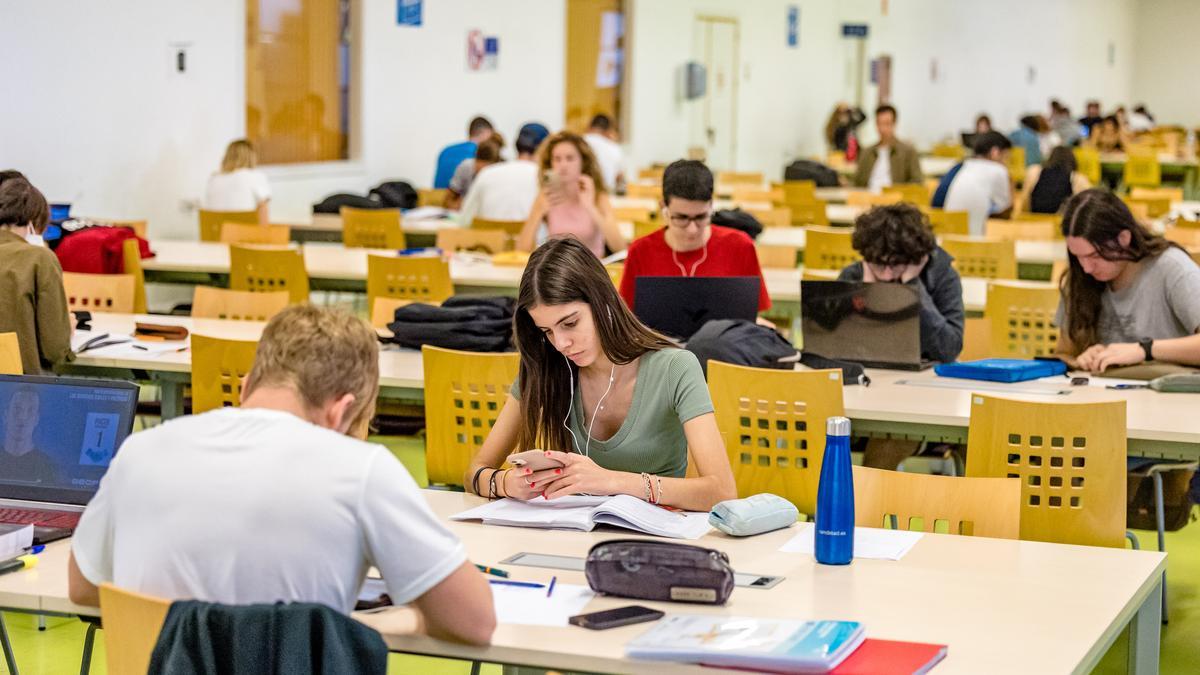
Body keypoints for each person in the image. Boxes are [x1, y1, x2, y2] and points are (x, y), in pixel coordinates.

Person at [68, 305, 496, 646]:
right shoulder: (360, 470)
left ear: (247, 385)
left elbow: (84, 587)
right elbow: (474, 622)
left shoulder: (141, 451)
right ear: (342, 410)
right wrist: (362, 626)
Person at [464, 237, 737, 511]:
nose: (560, 343)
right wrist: (505, 483)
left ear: (602, 301)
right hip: (573, 536)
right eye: (546, 331)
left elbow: (722, 492)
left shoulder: (675, 368)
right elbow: (474, 472)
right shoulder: (546, 366)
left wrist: (611, 481)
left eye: (570, 323)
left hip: (654, 542)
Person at [1055, 189, 1200, 373]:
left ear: (1124, 238)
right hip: (1104, 395)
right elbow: (1063, 354)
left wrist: (1145, 350)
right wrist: (1081, 359)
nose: (1087, 268)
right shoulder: (1080, 277)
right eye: (1078, 256)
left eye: (1095, 255)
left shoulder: (1172, 268)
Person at [619, 159, 770, 313]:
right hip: (658, 338)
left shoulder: (740, 246)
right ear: (663, 207)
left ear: (711, 205)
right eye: (681, 218)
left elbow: (754, 317)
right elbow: (626, 321)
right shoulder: (641, 251)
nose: (692, 229)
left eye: (701, 217)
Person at [837, 204, 964, 364]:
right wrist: (867, 290)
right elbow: (838, 346)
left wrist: (912, 287)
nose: (887, 275)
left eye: (896, 264)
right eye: (880, 264)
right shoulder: (853, 275)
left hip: (925, 380)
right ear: (866, 257)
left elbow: (949, 349)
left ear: (916, 259)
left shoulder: (942, 276)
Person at [0, 177, 72, 375]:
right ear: (34, 223)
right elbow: (54, 348)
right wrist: (68, 331)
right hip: (21, 391)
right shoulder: (40, 259)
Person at [518, 131, 625, 258]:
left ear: (583, 162)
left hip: (591, 269)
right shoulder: (547, 195)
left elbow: (619, 248)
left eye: (570, 158)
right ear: (550, 164)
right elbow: (521, 250)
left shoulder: (597, 195)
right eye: (557, 159)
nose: (563, 165)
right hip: (559, 271)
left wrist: (590, 207)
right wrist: (538, 212)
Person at [460, 122, 549, 225]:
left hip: (490, 239)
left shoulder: (487, 173)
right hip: (534, 240)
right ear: (545, 149)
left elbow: (465, 220)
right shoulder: (544, 178)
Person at [942, 131, 1013, 235]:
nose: (1006, 163)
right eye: (1006, 157)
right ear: (995, 152)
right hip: (977, 242)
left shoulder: (964, 166)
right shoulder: (999, 170)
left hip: (949, 239)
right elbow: (1005, 211)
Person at [853, 105, 923, 190]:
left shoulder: (908, 152)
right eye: (879, 123)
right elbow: (857, 183)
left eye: (887, 124)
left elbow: (917, 182)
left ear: (894, 124)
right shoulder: (867, 152)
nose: (882, 129)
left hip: (895, 200)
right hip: (868, 199)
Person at [0, 386, 58, 486]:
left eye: (30, 411)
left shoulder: (48, 467)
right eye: (17, 409)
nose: (22, 417)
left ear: (36, 419)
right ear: (5, 416)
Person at [205, 140, 271, 223]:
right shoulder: (255, 176)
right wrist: (265, 234)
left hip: (214, 234)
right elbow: (263, 209)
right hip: (243, 234)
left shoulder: (213, 179)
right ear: (251, 156)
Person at [1017, 147, 1092, 215]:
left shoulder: (1034, 171)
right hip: (1060, 223)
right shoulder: (1077, 178)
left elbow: (1025, 201)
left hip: (1035, 221)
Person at [445, 134, 504, 210]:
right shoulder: (466, 167)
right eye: (478, 171)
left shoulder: (502, 171)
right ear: (475, 160)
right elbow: (448, 199)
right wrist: (455, 206)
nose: (481, 175)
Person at [433, 116, 494, 189]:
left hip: (438, 197)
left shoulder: (446, 150)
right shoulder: (481, 154)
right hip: (460, 198)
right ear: (485, 133)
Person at [583, 114, 625, 195]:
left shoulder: (578, 142)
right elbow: (619, 177)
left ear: (589, 126)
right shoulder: (614, 148)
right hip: (606, 195)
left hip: (580, 195)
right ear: (609, 131)